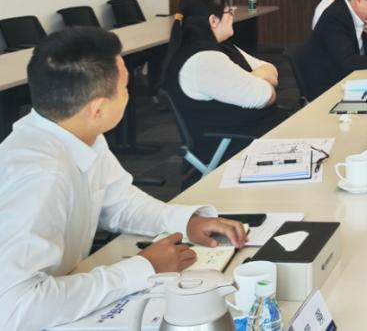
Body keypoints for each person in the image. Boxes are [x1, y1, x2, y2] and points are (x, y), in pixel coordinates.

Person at [0, 27, 248, 331]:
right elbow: (15, 307)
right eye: (125, 87)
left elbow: (119, 202)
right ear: (98, 109)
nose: (129, 95)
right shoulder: (39, 175)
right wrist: (142, 268)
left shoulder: (76, 131)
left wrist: (185, 222)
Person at [163, 0, 290, 155]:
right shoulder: (204, 61)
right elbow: (267, 96)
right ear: (213, 20)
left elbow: (271, 69)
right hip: (236, 146)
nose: (232, 16)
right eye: (229, 11)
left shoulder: (222, 46)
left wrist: (247, 78)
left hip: (253, 132)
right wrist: (255, 79)